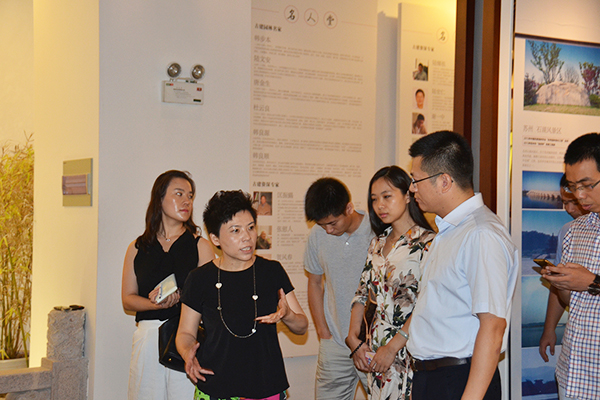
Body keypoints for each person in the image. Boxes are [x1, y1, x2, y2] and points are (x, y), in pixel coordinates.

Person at [407, 131, 519, 400]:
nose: (412, 188)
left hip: (459, 380)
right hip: (433, 378)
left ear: (444, 181)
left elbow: (492, 326)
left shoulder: (481, 234)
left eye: (416, 180)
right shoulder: (450, 230)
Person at [176, 190, 308, 400]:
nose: (247, 237)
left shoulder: (271, 271)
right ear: (215, 239)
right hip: (215, 384)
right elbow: (185, 333)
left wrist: (287, 315)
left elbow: (302, 326)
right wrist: (187, 353)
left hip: (265, 384)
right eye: (235, 230)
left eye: (251, 227)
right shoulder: (199, 278)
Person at [121, 170, 215, 400]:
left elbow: (211, 300)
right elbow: (128, 298)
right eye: (179, 194)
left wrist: (182, 297)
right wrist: (156, 304)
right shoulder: (137, 247)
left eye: (190, 196)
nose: (187, 201)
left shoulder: (200, 246)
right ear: (160, 198)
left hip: (186, 338)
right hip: (147, 338)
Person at [346, 166, 435, 399]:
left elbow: (428, 302)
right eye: (374, 199)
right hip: (376, 350)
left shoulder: (428, 243)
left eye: (387, 196)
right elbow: (362, 293)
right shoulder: (377, 243)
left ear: (407, 195)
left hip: (409, 349)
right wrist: (353, 339)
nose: (379, 206)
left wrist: (393, 346)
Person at [542, 133, 600, 400]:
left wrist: (592, 282)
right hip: (573, 373)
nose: (579, 195)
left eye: (587, 185)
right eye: (572, 186)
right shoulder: (575, 231)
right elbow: (571, 301)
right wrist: (561, 283)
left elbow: (589, 285)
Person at [304, 177, 372, 400]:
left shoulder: (376, 231)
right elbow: (315, 282)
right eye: (322, 224)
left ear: (349, 208)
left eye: (333, 223)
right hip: (334, 342)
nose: (328, 230)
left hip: (371, 342)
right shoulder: (317, 235)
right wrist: (323, 331)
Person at [539, 174, 587, 364]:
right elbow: (559, 284)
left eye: (573, 202)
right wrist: (549, 329)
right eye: (565, 202)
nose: (569, 209)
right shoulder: (568, 231)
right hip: (578, 338)